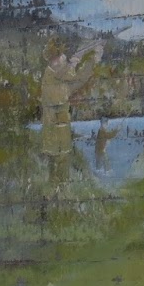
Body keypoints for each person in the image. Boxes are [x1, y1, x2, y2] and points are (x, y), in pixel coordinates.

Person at [38, 39, 103, 185]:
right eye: (62, 56)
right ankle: (54, 190)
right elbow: (64, 75)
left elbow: (79, 80)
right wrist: (73, 63)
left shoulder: (59, 78)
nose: (64, 58)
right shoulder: (51, 75)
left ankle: (61, 190)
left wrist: (93, 60)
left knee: (63, 161)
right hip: (53, 128)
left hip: (62, 128)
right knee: (54, 162)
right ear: (54, 59)